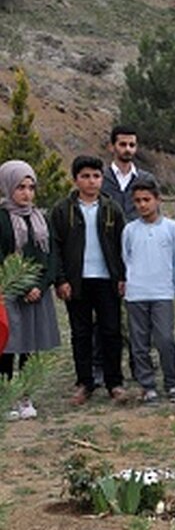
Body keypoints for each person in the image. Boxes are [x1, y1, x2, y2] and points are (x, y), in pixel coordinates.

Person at [50, 155, 127, 405]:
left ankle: (114, 382)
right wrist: (60, 280)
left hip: (107, 280)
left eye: (96, 176)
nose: (91, 181)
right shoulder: (63, 210)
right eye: (85, 176)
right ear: (76, 180)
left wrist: (122, 276)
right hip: (77, 281)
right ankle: (84, 383)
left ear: (102, 179)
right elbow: (55, 248)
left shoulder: (112, 208)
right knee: (80, 333)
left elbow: (123, 245)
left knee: (111, 331)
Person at [0, 160, 60, 420]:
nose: (26, 193)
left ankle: (26, 396)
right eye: (20, 187)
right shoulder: (2, 218)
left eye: (31, 187)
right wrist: (22, 286)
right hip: (9, 292)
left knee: (30, 344)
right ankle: (5, 397)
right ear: (7, 187)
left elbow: (51, 256)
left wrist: (40, 285)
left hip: (37, 293)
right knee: (7, 345)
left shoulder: (40, 218)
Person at [121, 175, 175, 402]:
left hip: (162, 293)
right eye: (137, 201)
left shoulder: (173, 228)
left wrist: (172, 286)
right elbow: (126, 259)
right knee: (139, 343)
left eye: (146, 199)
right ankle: (147, 384)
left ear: (158, 200)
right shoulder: (130, 230)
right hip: (136, 294)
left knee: (165, 340)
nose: (142, 205)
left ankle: (172, 382)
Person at [100, 125, 151, 221]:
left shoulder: (146, 179)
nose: (128, 149)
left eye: (132, 145)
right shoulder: (100, 179)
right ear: (111, 147)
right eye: (123, 144)